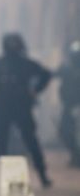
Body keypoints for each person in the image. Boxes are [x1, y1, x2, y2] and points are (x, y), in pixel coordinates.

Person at [0, 33, 52, 187]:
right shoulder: (19, 63)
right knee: (7, 145)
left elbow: (46, 75)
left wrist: (35, 90)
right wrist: (35, 90)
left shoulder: (0, 64)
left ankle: (42, 175)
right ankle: (41, 176)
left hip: (14, 108)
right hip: (13, 108)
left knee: (17, 144)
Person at [58, 40, 80, 168]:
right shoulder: (66, 69)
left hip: (76, 105)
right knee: (65, 131)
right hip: (69, 105)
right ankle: (75, 155)